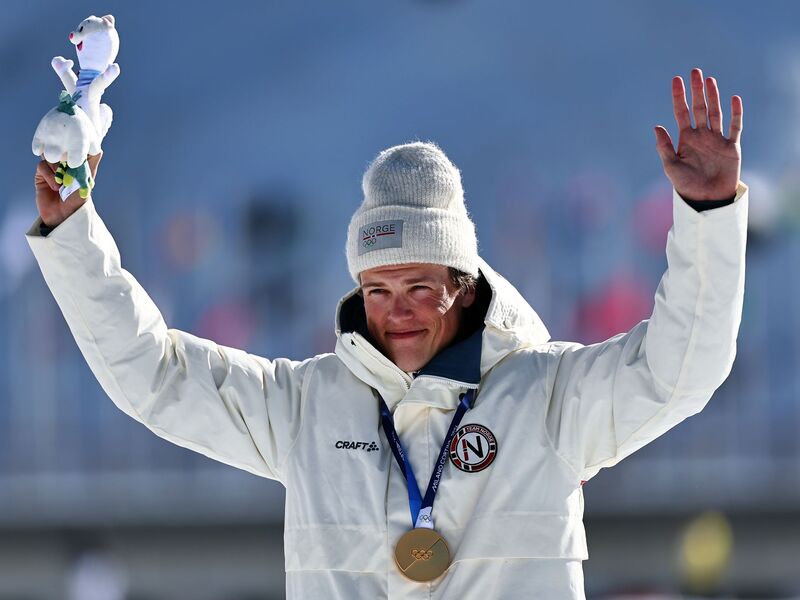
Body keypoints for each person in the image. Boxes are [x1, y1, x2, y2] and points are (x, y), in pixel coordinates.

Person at [27, 68, 747, 599]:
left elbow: (680, 370)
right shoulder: (306, 407)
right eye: (378, 290)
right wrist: (70, 233)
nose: (396, 311)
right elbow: (154, 376)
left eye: (419, 289)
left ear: (463, 288)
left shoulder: (548, 400)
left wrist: (709, 216)